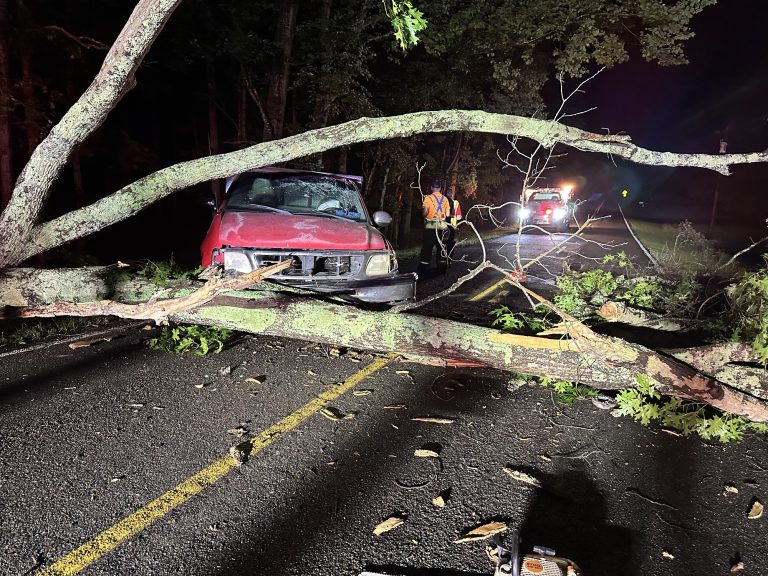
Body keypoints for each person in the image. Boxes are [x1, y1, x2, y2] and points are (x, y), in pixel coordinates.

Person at [418, 181, 450, 274]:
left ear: (432, 188)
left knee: (427, 247)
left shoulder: (428, 198)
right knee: (441, 247)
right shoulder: (445, 199)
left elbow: (424, 213)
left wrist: (425, 214)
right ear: (440, 188)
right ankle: (442, 267)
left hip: (430, 226)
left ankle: (423, 268)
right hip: (442, 226)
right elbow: (447, 214)